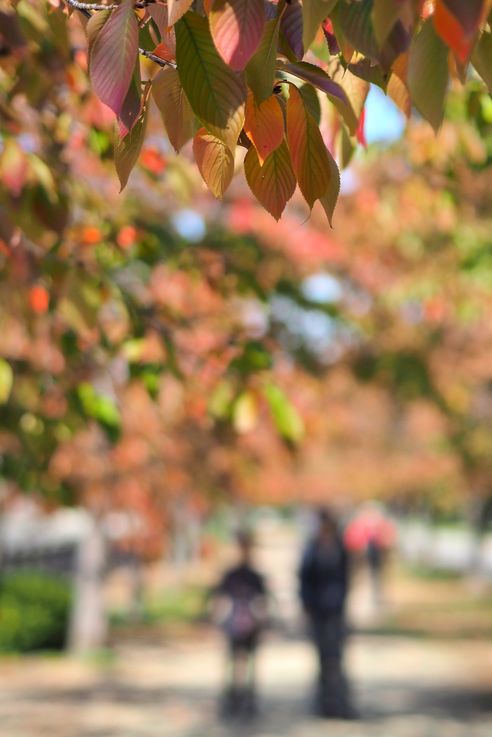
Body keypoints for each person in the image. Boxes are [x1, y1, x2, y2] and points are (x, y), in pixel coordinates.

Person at [299, 507, 354, 719]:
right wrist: (306, 604)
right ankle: (323, 704)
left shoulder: (339, 548)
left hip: (336, 609)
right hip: (318, 611)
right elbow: (304, 578)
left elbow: (346, 577)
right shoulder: (312, 549)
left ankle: (341, 703)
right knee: (322, 658)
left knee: (337, 658)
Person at [212, 530, 267, 719]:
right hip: (234, 623)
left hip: (251, 624)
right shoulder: (231, 574)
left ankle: (247, 700)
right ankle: (232, 698)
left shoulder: (255, 575)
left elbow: (263, 601)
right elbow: (220, 598)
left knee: (249, 664)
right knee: (233, 663)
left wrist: (261, 619)